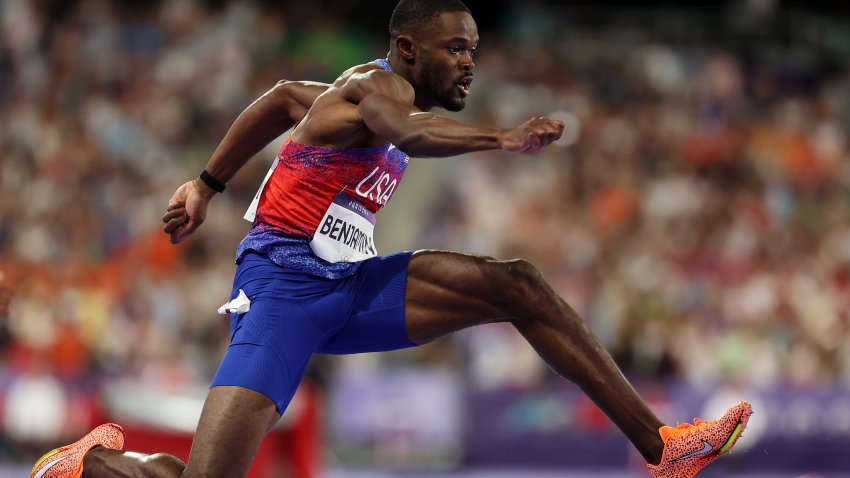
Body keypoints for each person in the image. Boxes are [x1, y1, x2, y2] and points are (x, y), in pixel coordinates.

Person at [30, 1, 751, 477]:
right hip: (281, 289)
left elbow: (283, 97)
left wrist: (206, 185)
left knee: (518, 284)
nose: (469, 61)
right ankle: (89, 468)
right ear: (407, 49)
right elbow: (409, 131)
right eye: (454, 49)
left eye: (474, 48)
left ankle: (663, 449)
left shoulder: (345, 98)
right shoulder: (379, 93)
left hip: (350, 286)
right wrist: (501, 137)